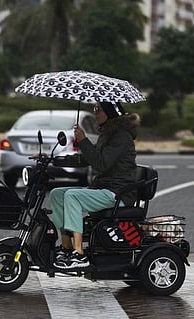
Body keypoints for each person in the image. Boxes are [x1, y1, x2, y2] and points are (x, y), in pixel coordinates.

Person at [50, 101, 140, 269]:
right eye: (94, 109)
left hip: (117, 192)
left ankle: (79, 253)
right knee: (57, 194)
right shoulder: (107, 133)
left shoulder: (121, 137)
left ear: (109, 113)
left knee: (72, 196)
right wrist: (55, 160)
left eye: (98, 109)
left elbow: (101, 163)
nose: (95, 113)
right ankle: (67, 246)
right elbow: (91, 157)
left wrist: (83, 140)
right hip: (104, 188)